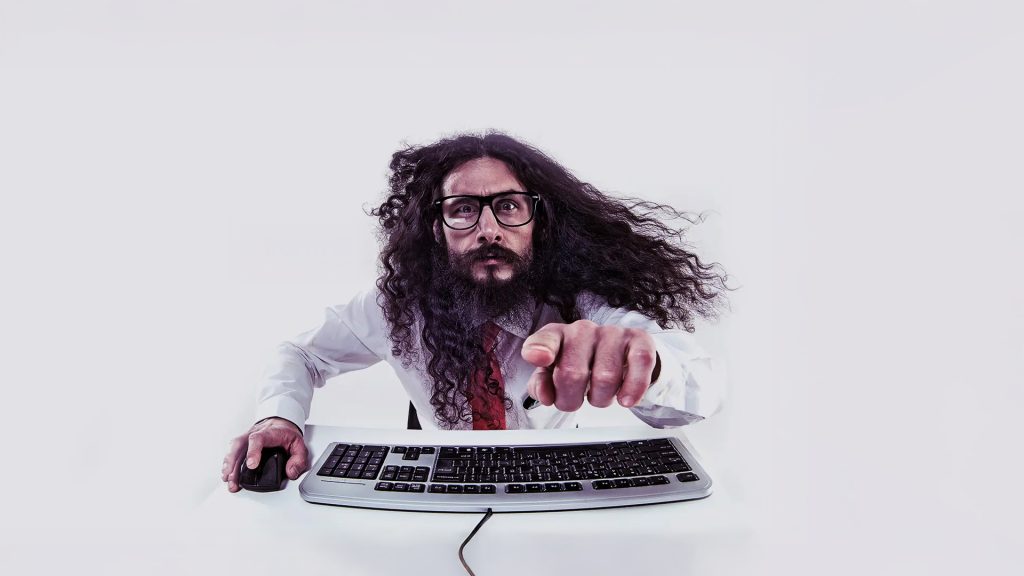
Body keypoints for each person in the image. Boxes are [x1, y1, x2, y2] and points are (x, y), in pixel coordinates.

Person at [222, 132, 730, 492]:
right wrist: (278, 415)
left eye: (508, 206)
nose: (489, 230)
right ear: (436, 229)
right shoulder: (393, 305)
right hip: (432, 490)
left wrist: (649, 365)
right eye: (463, 209)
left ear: (537, 223)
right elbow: (301, 353)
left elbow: (699, 395)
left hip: (548, 490)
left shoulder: (581, 303)